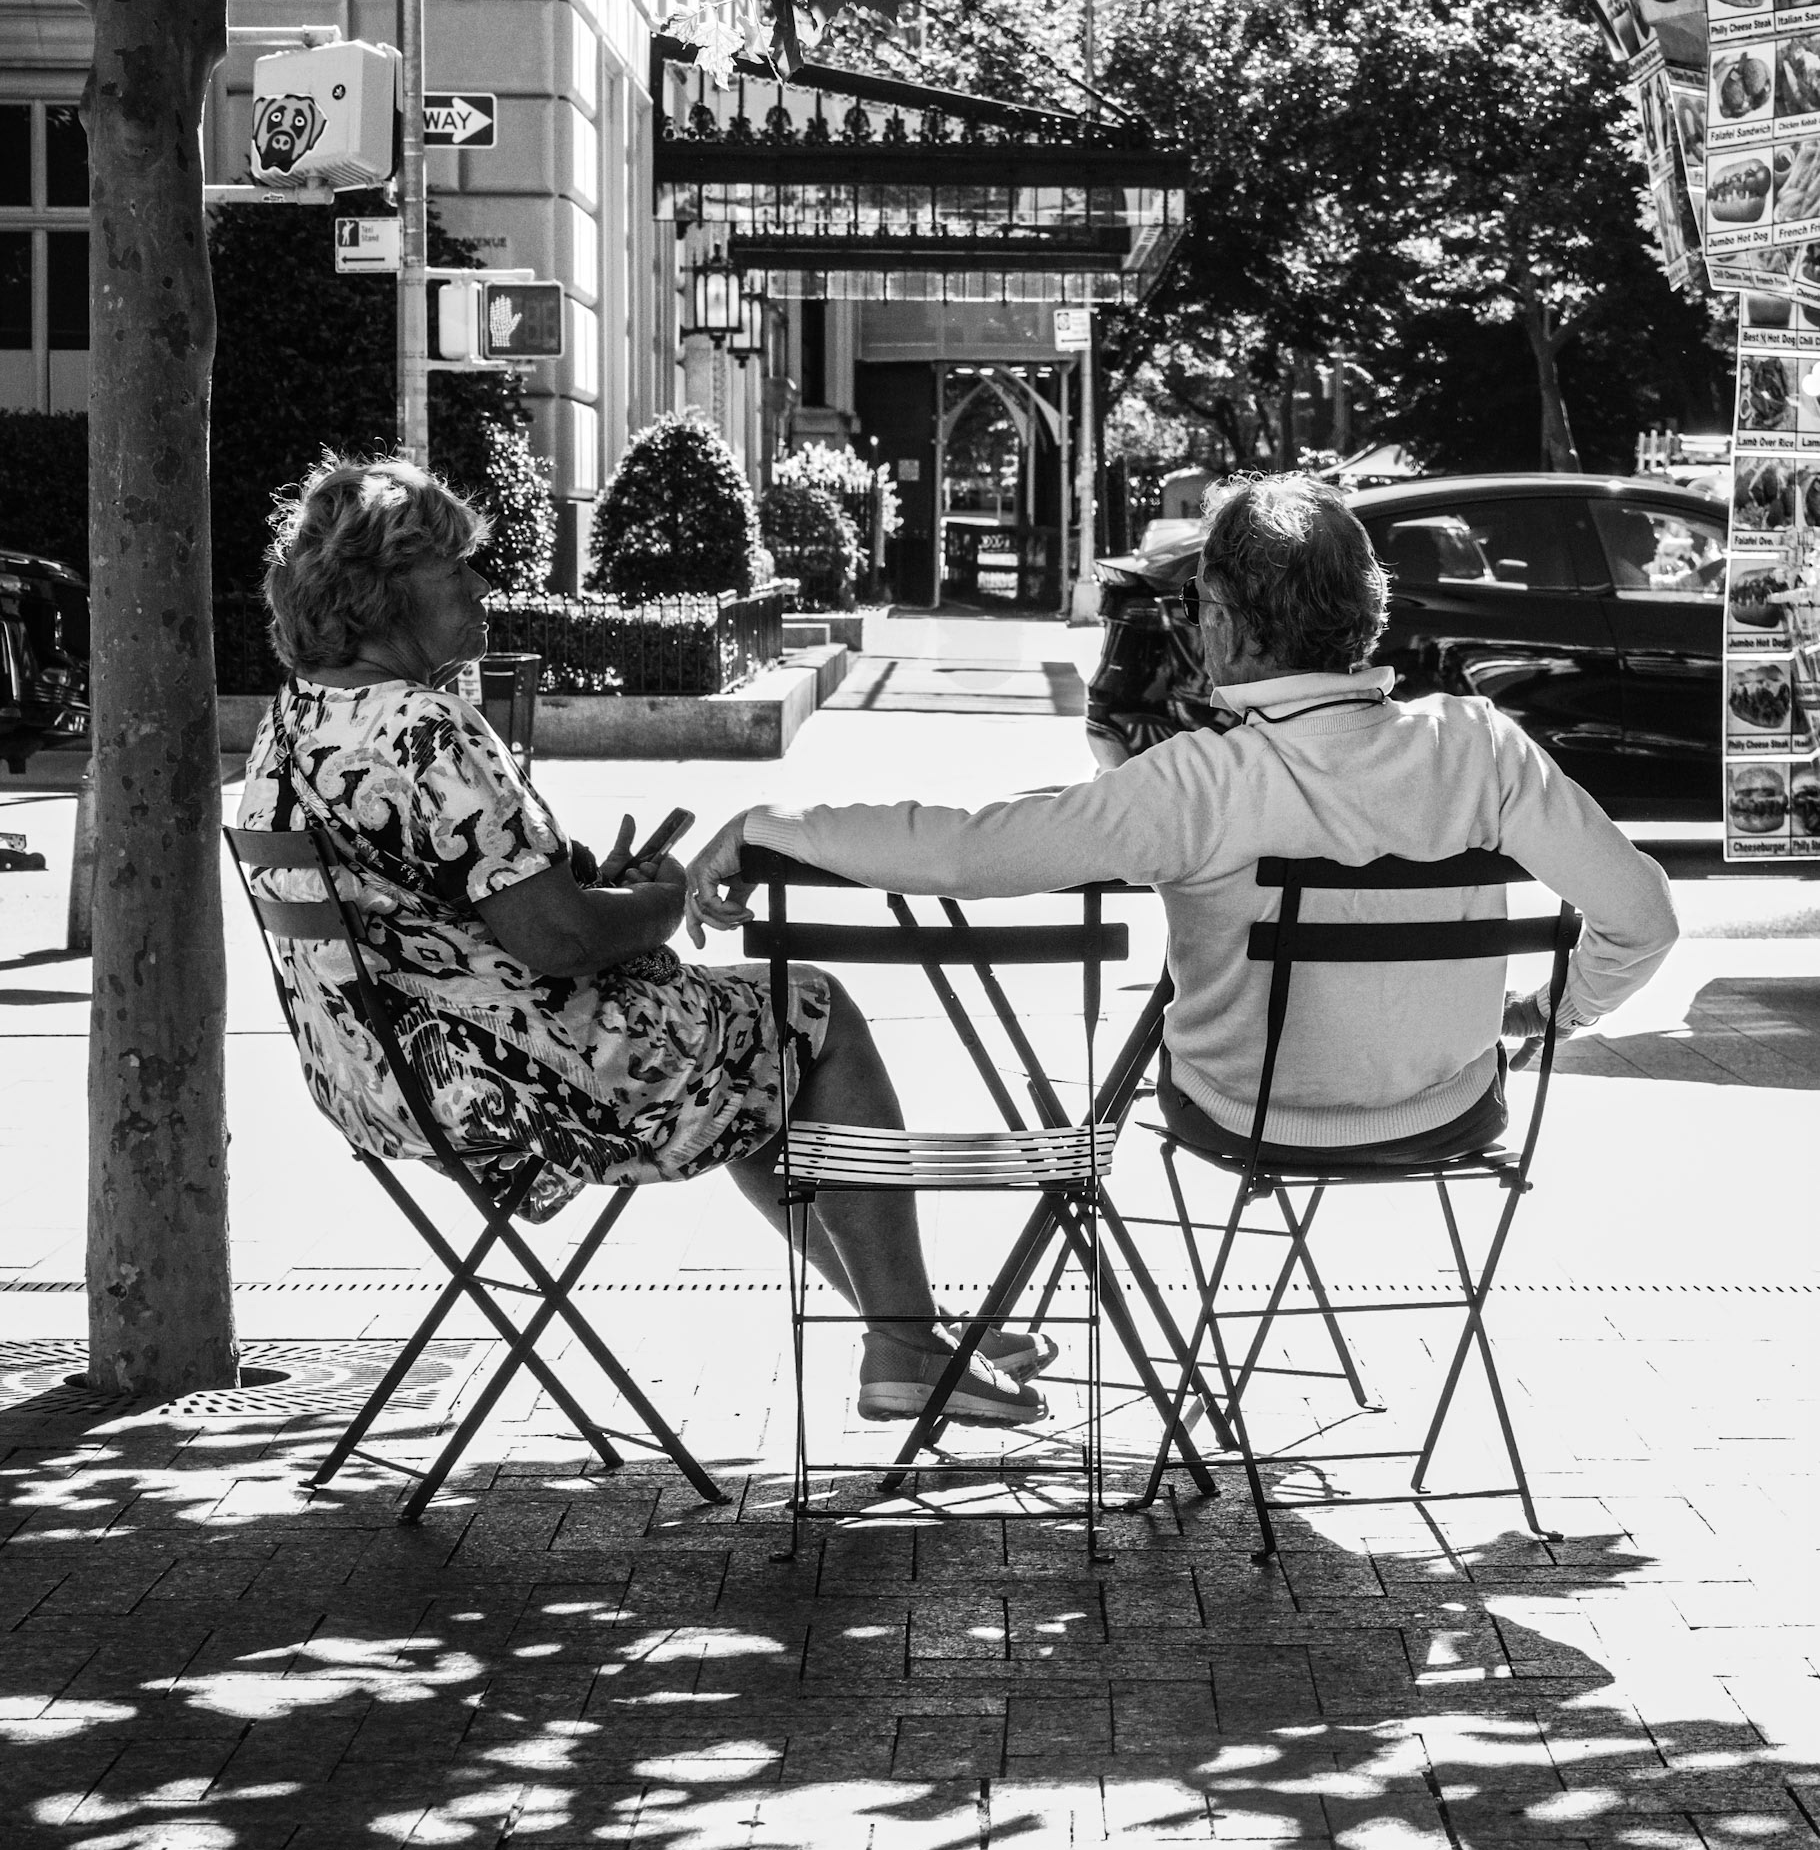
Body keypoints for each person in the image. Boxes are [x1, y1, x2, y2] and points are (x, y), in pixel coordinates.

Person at [238, 454, 1044, 1425]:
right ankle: (906, 1340)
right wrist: (660, 902)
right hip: (521, 1083)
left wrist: (588, 890)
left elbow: (453, 910)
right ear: (382, 591)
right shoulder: (424, 726)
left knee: (750, 1048)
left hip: (381, 1085)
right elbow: (559, 938)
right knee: (810, 1010)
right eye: (456, 568)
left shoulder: (291, 725)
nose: (482, 586)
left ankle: (904, 1327)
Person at [686, 474, 1679, 1166]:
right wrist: (1544, 1014)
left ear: (1228, 621)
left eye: (1201, 607)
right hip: (1452, 1114)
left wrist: (781, 821)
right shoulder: (1480, 747)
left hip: (1244, 1116)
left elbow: (969, 851)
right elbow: (1644, 916)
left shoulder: (1198, 780)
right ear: (1366, 611)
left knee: (1161, 1026)